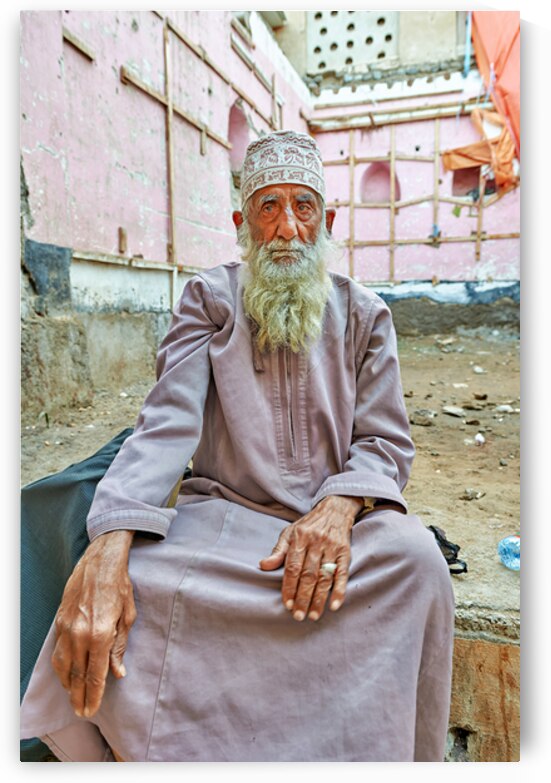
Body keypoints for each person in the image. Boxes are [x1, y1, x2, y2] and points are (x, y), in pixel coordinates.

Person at [20, 130, 455, 762]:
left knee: (418, 563)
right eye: (268, 207)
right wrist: (110, 541)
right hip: (222, 527)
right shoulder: (211, 298)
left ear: (327, 220)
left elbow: (384, 441)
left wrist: (337, 510)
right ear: (242, 223)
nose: (286, 228)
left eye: (302, 207)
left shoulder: (365, 315)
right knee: (132, 582)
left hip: (332, 533)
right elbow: (165, 424)